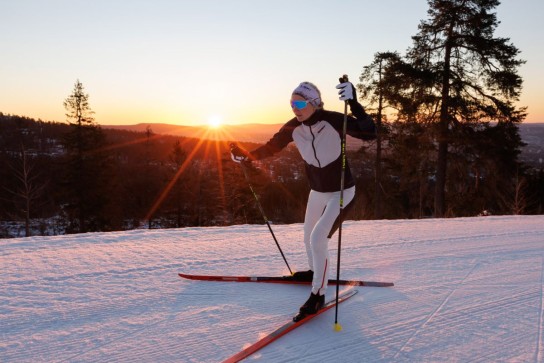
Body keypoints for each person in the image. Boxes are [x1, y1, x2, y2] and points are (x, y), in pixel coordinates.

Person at [230, 78, 376, 321]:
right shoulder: (292, 126)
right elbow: (271, 147)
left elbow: (369, 134)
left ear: (314, 103)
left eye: (299, 102)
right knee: (308, 236)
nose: (294, 108)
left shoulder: (332, 120)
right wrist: (245, 157)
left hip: (342, 192)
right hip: (316, 191)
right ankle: (314, 272)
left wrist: (354, 103)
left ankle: (318, 293)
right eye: (291, 103)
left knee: (319, 238)